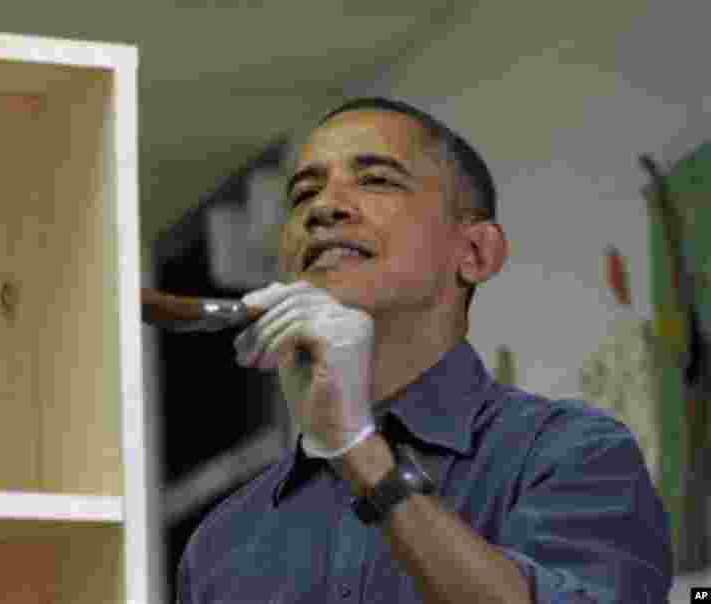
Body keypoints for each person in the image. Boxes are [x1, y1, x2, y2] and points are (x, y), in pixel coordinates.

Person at [175, 97, 672, 603]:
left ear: (475, 253)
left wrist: (358, 451)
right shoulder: (220, 547)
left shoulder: (571, 456)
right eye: (304, 193)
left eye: (377, 180)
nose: (323, 208)